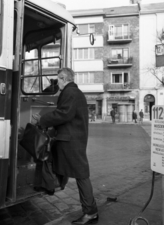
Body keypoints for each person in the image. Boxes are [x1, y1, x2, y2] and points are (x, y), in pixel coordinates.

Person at [33, 68, 98, 225]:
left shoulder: (69, 92)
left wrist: (43, 120)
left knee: (81, 175)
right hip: (71, 139)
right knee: (62, 165)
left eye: (58, 80)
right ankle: (49, 186)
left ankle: (90, 212)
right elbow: (67, 115)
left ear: (63, 78)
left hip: (71, 141)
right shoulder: (75, 92)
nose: (58, 83)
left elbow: (64, 114)